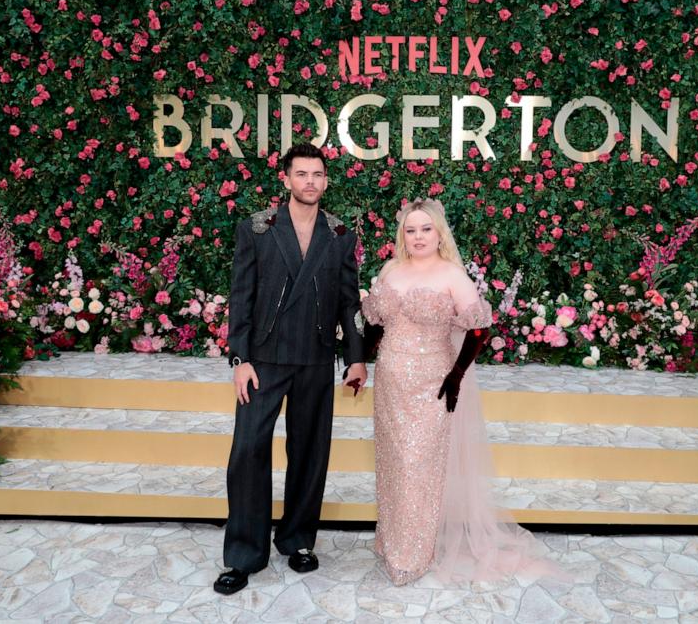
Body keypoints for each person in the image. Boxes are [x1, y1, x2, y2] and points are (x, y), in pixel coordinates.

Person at [361, 198, 561, 586]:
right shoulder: (390, 270)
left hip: (433, 384)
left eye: (426, 229)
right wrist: (358, 362)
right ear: (402, 234)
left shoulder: (453, 275)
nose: (418, 237)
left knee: (418, 465)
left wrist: (456, 374)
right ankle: (392, 542)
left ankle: (412, 555)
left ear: (439, 233)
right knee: (393, 464)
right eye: (411, 229)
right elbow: (377, 326)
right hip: (390, 383)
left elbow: (478, 328)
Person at [214, 143, 367, 596]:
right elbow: (241, 298)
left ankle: (298, 539)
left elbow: (349, 301)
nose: (310, 182)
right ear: (285, 179)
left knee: (310, 453)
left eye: (317, 175)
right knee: (248, 452)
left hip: (316, 358)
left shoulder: (339, 234)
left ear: (326, 180)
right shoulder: (258, 229)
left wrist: (356, 357)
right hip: (263, 360)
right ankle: (243, 555)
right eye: (301, 174)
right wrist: (239, 360)